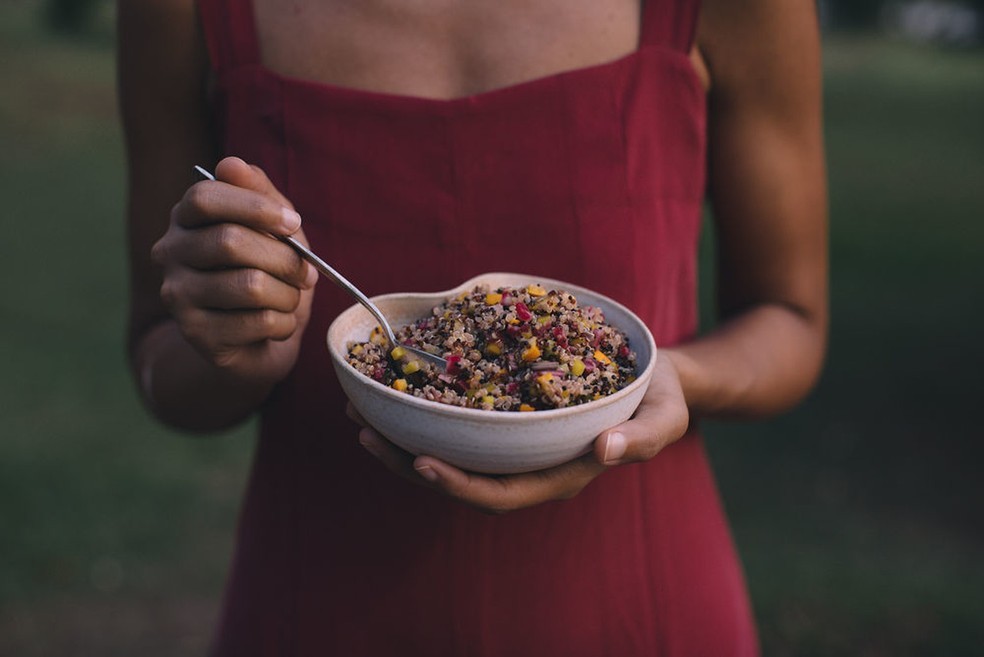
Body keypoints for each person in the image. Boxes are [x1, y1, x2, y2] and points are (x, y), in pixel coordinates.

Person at [118, 0, 826, 654]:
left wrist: (675, 375)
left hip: (634, 602)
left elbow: (791, 318)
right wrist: (241, 351)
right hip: (322, 601)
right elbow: (160, 359)